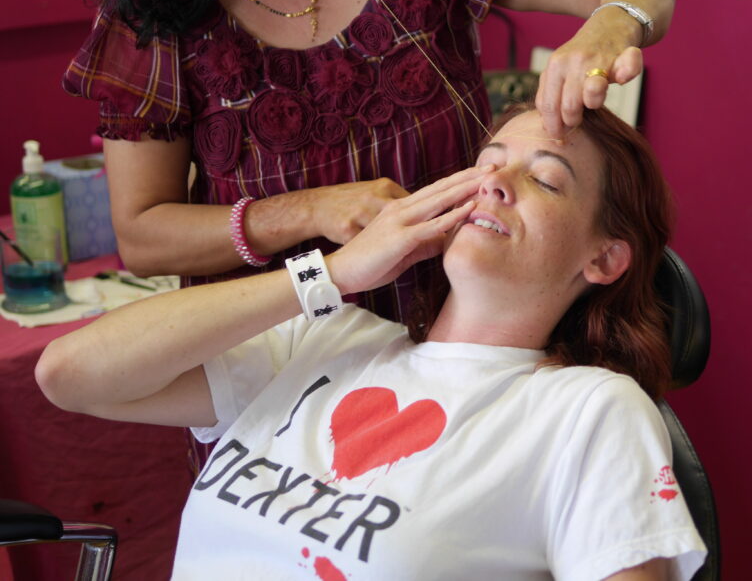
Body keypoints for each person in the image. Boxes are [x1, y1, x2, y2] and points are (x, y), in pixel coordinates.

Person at [37, 104, 706, 580]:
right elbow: (70, 373)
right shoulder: (323, 340)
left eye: (547, 180)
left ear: (604, 258)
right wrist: (326, 275)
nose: (494, 184)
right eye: (488, 164)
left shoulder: (587, 411)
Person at [62, 0, 675, 322]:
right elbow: (143, 235)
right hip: (277, 368)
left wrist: (611, 24)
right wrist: (311, 212)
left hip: (463, 329)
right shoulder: (158, 9)